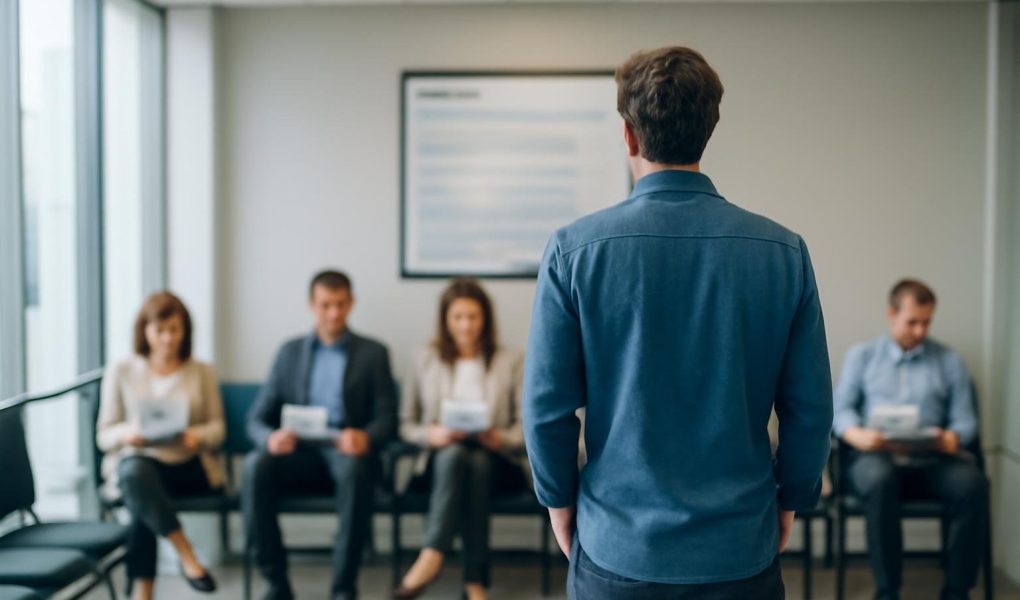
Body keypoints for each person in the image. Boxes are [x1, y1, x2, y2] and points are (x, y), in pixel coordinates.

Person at [523, 46, 834, 599]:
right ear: (708, 129)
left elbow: (546, 407)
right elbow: (809, 408)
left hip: (616, 548)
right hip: (740, 548)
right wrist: (792, 499)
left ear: (628, 136)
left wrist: (558, 504)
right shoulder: (783, 252)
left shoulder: (574, 251)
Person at [243, 270, 397, 600]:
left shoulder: (373, 353)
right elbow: (256, 417)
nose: (333, 313)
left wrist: (365, 437)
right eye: (326, 305)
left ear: (351, 303)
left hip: (345, 452)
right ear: (312, 305)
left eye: (340, 305)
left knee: (356, 470)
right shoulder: (289, 353)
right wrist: (270, 438)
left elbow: (387, 419)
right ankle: (276, 583)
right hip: (298, 453)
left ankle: (343, 588)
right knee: (256, 466)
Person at [833, 279, 987, 600]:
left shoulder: (950, 361)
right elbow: (839, 410)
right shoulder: (862, 357)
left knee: (973, 484)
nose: (920, 331)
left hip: (933, 461)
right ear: (892, 314)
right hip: (876, 460)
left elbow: (966, 422)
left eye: (926, 322)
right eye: (912, 322)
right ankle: (888, 590)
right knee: (878, 478)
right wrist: (856, 434)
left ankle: (958, 590)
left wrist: (952, 437)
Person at [392, 278, 528, 600]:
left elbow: (525, 426)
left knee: (478, 460)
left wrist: (500, 437)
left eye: (473, 317)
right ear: (445, 320)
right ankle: (474, 583)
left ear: (486, 319)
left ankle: (432, 554)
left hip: (498, 461)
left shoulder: (511, 360)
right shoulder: (425, 358)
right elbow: (405, 424)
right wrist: (432, 434)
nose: (466, 326)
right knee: (460, 458)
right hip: (441, 463)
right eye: (458, 317)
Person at [97, 291, 222, 600]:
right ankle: (185, 551)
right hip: (142, 464)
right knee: (138, 479)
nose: (167, 339)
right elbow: (104, 435)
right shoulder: (122, 371)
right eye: (159, 330)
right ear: (145, 331)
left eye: (174, 330)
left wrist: (197, 436)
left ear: (185, 331)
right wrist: (130, 434)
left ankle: (143, 593)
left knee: (140, 494)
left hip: (188, 468)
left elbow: (218, 428)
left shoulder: (201, 371)